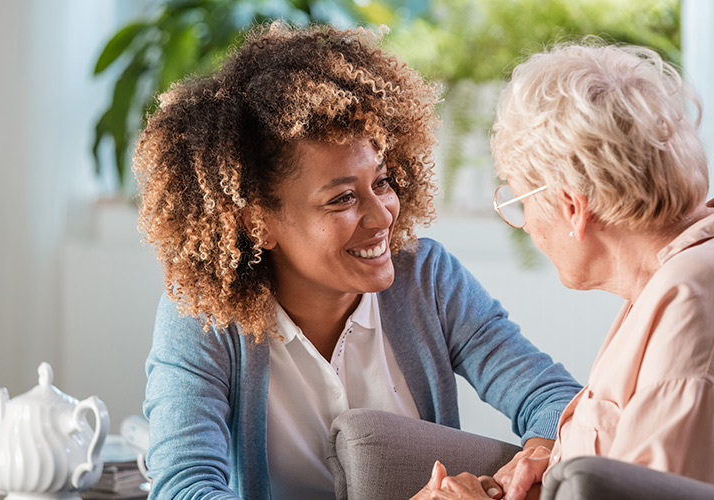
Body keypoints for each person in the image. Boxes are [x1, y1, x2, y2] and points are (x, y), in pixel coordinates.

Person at [134, 22, 582, 500]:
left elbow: (554, 398)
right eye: (342, 198)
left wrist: (536, 457)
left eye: (383, 182)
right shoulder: (204, 318)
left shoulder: (427, 279)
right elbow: (184, 487)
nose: (381, 214)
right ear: (257, 222)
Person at [422, 40, 714, 500]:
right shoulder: (691, 269)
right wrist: (552, 462)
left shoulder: (702, 306)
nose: (526, 223)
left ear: (572, 207)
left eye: (519, 201)